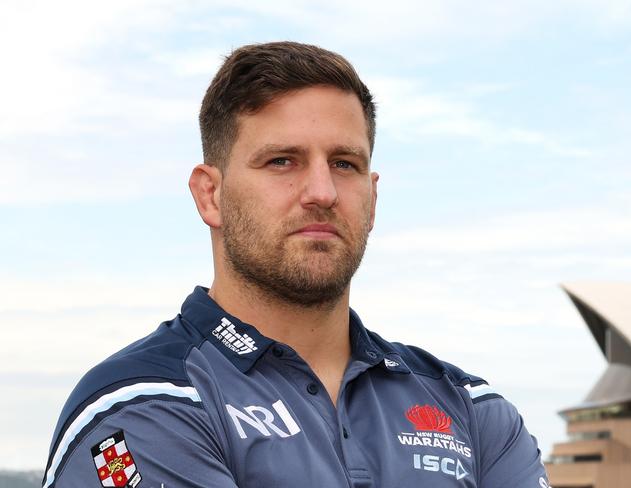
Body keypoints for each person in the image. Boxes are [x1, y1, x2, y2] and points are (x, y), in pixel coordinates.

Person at [43, 41, 550, 488]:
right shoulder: (144, 405)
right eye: (282, 161)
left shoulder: (472, 409)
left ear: (372, 198)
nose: (322, 192)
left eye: (345, 164)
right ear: (210, 195)